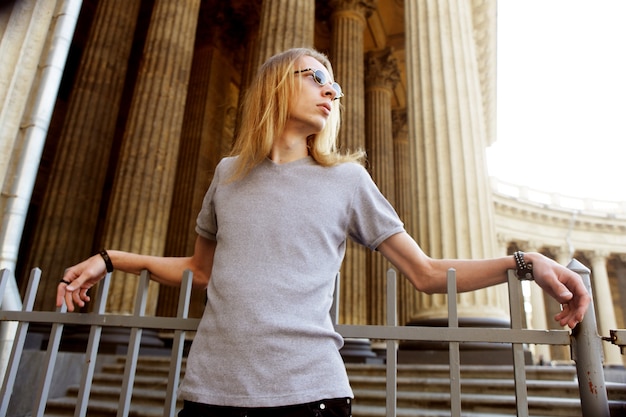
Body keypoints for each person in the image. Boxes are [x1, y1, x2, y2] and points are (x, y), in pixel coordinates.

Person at [56, 47, 590, 417]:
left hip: (307, 396)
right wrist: (110, 259)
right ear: (273, 86)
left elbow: (425, 274)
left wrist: (525, 263)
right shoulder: (227, 174)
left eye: (332, 83)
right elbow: (201, 270)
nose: (330, 89)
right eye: (314, 76)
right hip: (209, 393)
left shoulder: (346, 180)